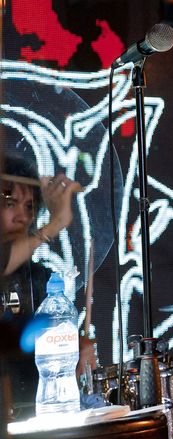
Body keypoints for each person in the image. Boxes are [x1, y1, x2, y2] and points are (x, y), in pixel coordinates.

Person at [1, 155, 84, 410]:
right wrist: (57, 222)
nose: (22, 217)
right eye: (10, 203)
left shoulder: (42, 278)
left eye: (30, 206)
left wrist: (77, 349)